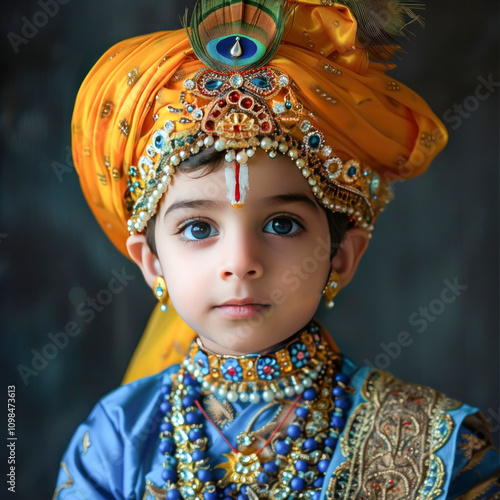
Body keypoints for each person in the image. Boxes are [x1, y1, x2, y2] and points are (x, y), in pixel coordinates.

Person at [53, 0, 500, 498]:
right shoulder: (117, 439)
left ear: (342, 256)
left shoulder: (440, 448)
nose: (240, 262)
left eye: (282, 224)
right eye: (199, 229)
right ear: (151, 261)